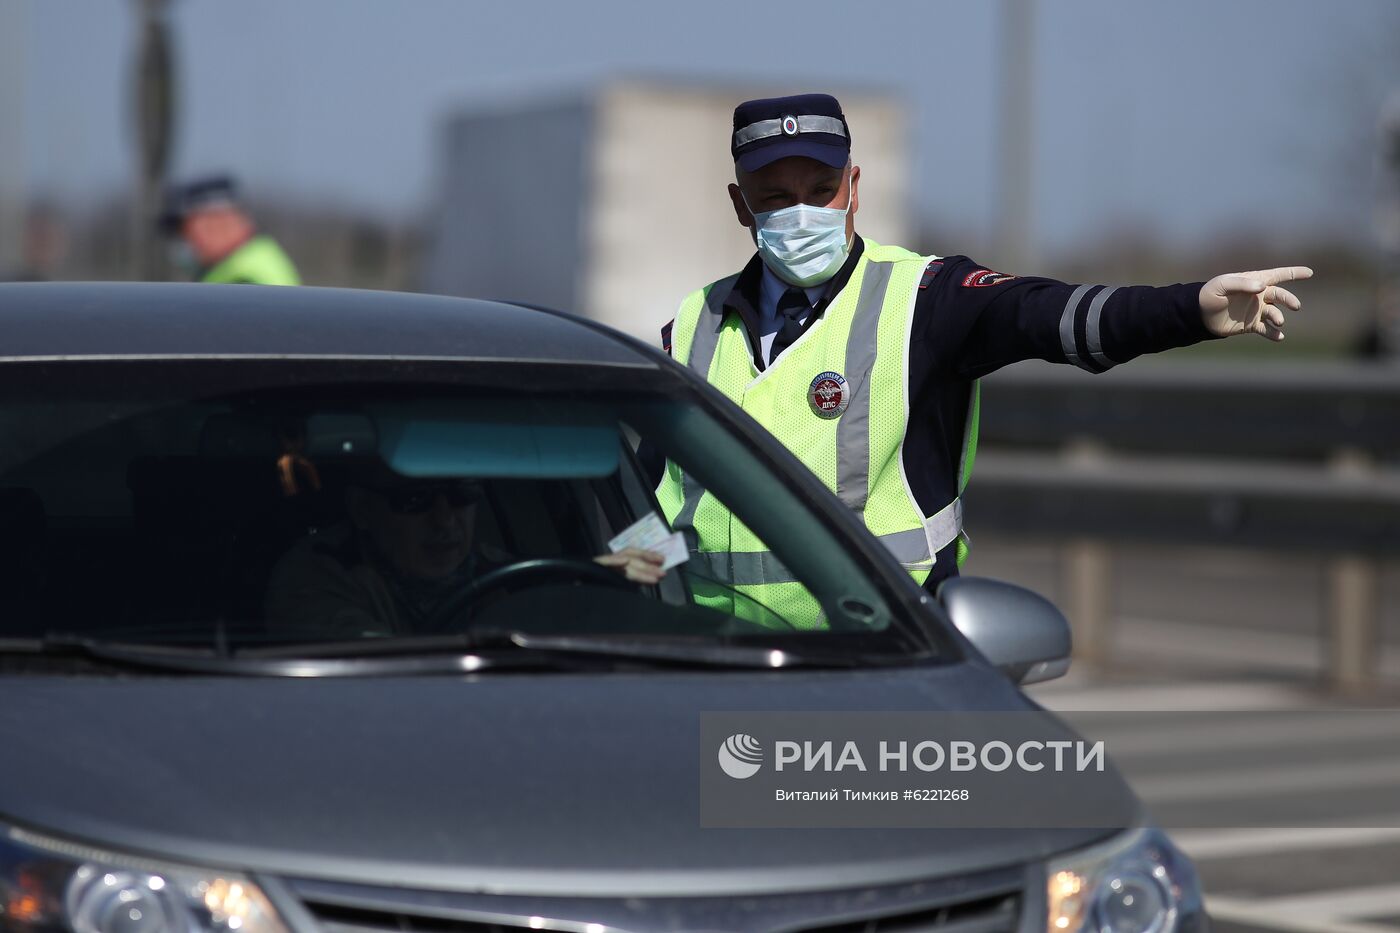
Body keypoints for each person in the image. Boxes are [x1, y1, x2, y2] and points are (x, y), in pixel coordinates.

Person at [655, 92, 1312, 613]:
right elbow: (638, 495)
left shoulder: (923, 297)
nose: (803, 214)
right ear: (742, 205)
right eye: (775, 198)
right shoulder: (691, 325)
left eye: (821, 190)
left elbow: (1039, 312)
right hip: (716, 656)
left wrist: (1188, 307)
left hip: (882, 653)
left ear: (854, 185)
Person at [265, 471, 664, 638]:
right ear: (363, 510)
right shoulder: (315, 575)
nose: (444, 521)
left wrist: (586, 581)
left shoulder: (496, 566)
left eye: (461, 496)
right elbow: (374, 671)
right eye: (415, 500)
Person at [158, 175, 301, 285]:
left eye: (187, 230)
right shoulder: (252, 258)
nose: (185, 240)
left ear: (216, 222)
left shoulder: (245, 281)